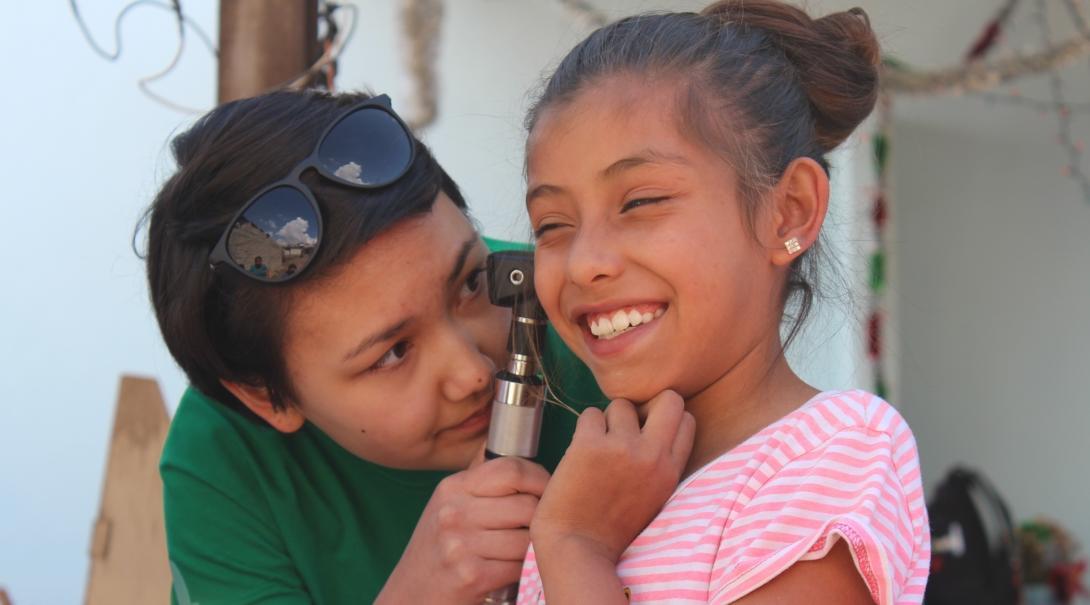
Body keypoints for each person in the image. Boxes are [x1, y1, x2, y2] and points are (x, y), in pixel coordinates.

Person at [516, 1, 930, 603]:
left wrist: (576, 548)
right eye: (552, 224)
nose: (583, 262)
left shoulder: (833, 453)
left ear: (788, 210)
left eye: (641, 202)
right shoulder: (597, 487)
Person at [143, 89, 602, 604]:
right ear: (267, 397)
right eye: (393, 353)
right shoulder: (226, 455)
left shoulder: (589, 309)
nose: (472, 372)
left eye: (471, 282)